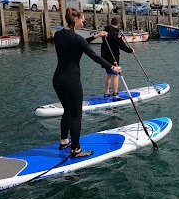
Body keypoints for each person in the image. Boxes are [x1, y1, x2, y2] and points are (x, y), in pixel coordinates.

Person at [53, 8, 122, 158]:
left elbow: (79, 44)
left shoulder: (58, 35)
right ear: (75, 19)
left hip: (58, 80)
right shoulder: (77, 39)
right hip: (71, 81)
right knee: (76, 115)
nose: (83, 22)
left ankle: (64, 141)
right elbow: (93, 55)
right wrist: (112, 67)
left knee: (67, 111)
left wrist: (96, 36)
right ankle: (76, 150)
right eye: (82, 19)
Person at [101, 17, 133, 100]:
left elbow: (112, 41)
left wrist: (119, 37)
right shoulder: (114, 34)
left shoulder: (106, 31)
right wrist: (131, 50)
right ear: (118, 24)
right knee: (116, 75)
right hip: (112, 57)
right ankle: (115, 94)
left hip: (104, 56)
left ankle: (106, 92)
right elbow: (122, 46)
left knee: (109, 74)